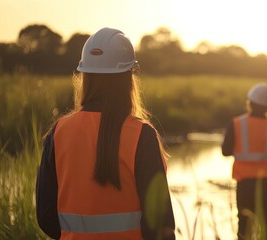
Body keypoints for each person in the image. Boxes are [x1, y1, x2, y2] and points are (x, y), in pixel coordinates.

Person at [36, 27, 175, 240]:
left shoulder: (58, 133)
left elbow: (46, 218)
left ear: (85, 77)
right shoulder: (141, 135)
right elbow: (160, 225)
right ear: (129, 78)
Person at [221, 83, 267, 240]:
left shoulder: (236, 124)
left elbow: (225, 151)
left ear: (249, 103)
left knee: (244, 227)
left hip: (245, 184)